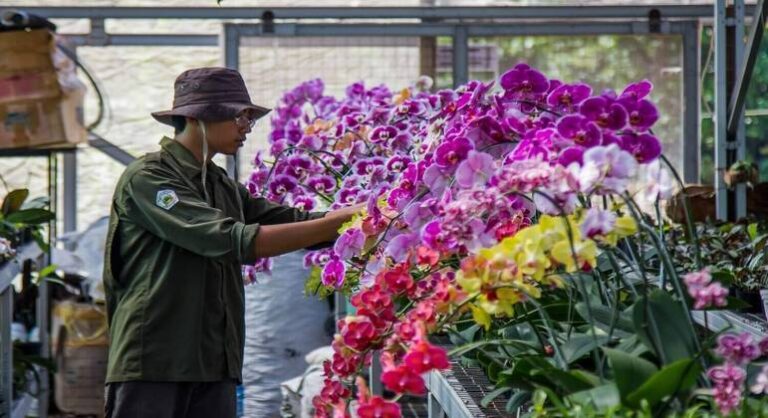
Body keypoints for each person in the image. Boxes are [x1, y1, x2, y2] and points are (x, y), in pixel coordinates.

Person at [102, 67, 361, 418]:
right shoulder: (150, 178)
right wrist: (343, 220)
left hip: (214, 361)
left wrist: (365, 218)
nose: (246, 127)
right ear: (198, 118)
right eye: (239, 116)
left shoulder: (219, 183)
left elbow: (290, 221)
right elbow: (235, 241)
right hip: (156, 363)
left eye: (248, 118)